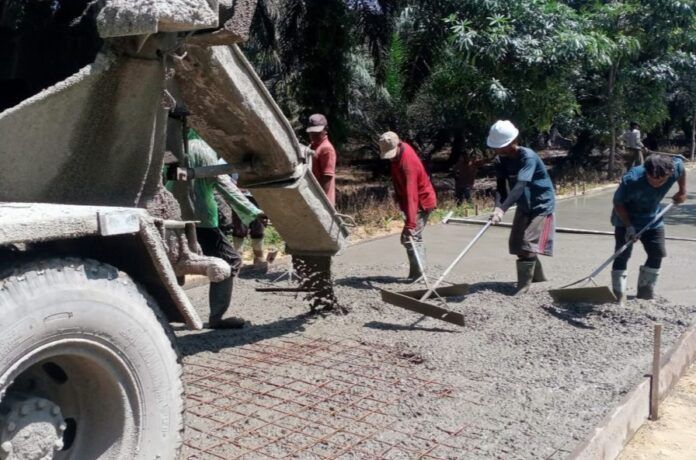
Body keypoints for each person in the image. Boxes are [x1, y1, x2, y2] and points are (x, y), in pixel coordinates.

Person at [177, 130, 265, 328]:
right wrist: (253, 212)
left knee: (175, 263)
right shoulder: (203, 150)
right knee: (230, 261)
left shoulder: (173, 147)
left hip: (173, 217)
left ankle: (166, 312)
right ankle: (217, 317)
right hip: (202, 219)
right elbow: (224, 184)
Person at [487, 120, 556, 295]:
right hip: (524, 203)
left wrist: (503, 209)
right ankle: (538, 277)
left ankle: (523, 287)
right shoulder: (500, 160)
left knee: (527, 244)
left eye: (501, 146)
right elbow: (502, 187)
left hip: (541, 203)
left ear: (512, 141)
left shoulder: (528, 157)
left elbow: (520, 185)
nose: (498, 150)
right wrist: (497, 207)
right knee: (517, 246)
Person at [610, 154, 687, 302]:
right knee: (622, 254)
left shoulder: (674, 168)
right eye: (652, 180)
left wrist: (682, 191)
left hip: (652, 218)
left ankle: (645, 293)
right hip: (626, 218)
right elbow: (618, 203)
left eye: (661, 181)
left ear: (669, 173)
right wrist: (629, 227)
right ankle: (619, 295)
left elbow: (682, 168)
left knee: (657, 253)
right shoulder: (631, 179)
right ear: (646, 172)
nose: (656, 184)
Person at [379, 131, 437, 280]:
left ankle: (420, 274)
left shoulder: (408, 163)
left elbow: (412, 195)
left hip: (422, 202)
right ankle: (417, 272)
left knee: (410, 237)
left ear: (398, 145)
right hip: (411, 202)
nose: (390, 158)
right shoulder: (397, 155)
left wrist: (411, 223)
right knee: (410, 238)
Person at [306, 113, 337, 206]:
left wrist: (319, 200)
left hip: (321, 201)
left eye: (317, 132)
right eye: (311, 132)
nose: (313, 135)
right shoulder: (313, 146)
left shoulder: (326, 149)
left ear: (325, 129)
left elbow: (327, 177)